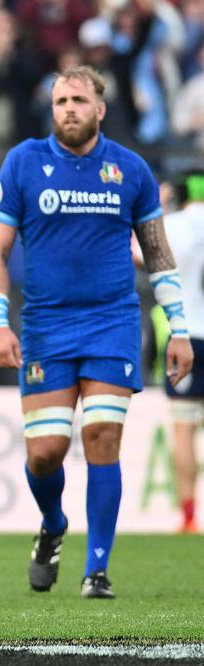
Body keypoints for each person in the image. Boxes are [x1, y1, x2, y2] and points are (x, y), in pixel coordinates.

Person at [0, 65, 193, 599]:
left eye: (78, 100)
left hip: (112, 323)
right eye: (60, 101)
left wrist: (180, 328)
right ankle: (53, 525)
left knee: (102, 436)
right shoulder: (23, 162)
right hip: (46, 327)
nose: (68, 109)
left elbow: (159, 256)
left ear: (100, 109)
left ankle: (96, 569)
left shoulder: (131, 170)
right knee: (45, 452)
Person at [160, 170, 204, 533]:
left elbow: (138, 255)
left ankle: (189, 517)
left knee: (184, 429)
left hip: (186, 335)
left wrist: (159, 207)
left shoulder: (173, 225)